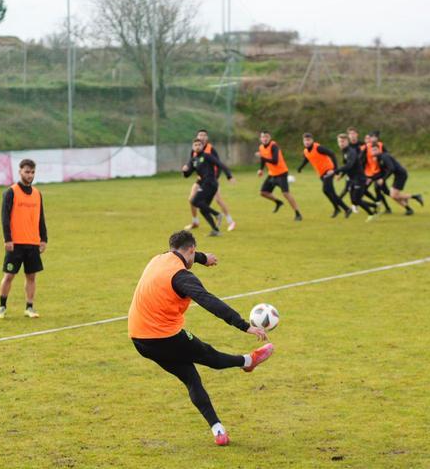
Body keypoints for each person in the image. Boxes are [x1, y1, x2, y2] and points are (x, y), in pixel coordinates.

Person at [129, 231, 274, 446]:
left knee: (191, 377)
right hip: (165, 336)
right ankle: (248, 361)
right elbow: (208, 301)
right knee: (210, 356)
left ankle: (218, 430)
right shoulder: (182, 277)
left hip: (139, 338)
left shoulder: (158, 259)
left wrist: (203, 258)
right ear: (191, 250)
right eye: (194, 253)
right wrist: (244, 326)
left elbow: (186, 255)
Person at [0, 159, 47, 319]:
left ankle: (29, 307)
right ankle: (2, 307)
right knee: (9, 275)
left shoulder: (37, 194)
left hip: (32, 242)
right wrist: (7, 239)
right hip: (15, 243)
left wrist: (43, 239)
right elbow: (5, 217)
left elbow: (41, 218)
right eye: (27, 172)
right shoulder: (10, 192)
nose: (30, 175)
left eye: (32, 172)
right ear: (20, 171)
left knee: (31, 276)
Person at [184, 130, 236, 231]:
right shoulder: (194, 150)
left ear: (207, 138)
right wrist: (185, 169)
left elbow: (219, 165)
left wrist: (216, 177)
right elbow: (192, 164)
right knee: (192, 200)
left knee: (218, 200)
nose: (202, 137)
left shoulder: (210, 150)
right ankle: (195, 222)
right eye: (200, 135)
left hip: (211, 179)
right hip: (201, 179)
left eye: (204, 135)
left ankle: (230, 221)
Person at [296, 132, 350, 217]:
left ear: (312, 140)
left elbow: (332, 153)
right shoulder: (306, 151)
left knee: (327, 190)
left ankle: (345, 209)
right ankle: (340, 209)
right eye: (305, 140)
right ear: (303, 141)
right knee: (329, 192)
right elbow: (307, 159)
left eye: (309, 140)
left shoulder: (318, 148)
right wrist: (300, 167)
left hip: (328, 171)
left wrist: (335, 169)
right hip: (321, 173)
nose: (307, 142)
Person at [257, 131, 302, 221]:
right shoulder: (261, 147)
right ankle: (278, 202)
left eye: (266, 137)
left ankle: (298, 213)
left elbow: (275, 161)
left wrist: (262, 157)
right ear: (260, 138)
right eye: (263, 137)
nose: (265, 139)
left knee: (286, 193)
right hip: (272, 174)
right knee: (263, 192)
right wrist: (261, 169)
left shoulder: (274, 146)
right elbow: (263, 159)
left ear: (270, 138)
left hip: (281, 173)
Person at [368, 144, 423, 216]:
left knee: (393, 195)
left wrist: (383, 179)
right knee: (394, 195)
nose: (373, 152)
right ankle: (409, 209)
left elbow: (391, 168)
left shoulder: (384, 156)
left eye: (375, 150)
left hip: (401, 175)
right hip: (397, 175)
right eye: (372, 150)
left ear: (379, 150)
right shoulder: (379, 159)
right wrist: (371, 179)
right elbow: (382, 171)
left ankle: (415, 197)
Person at [335, 133, 377, 221]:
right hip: (352, 178)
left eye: (343, 141)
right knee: (354, 200)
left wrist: (336, 171)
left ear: (347, 141)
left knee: (357, 200)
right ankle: (375, 206)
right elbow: (346, 166)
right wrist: (341, 175)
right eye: (339, 142)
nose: (341, 143)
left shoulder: (351, 152)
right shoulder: (344, 151)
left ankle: (372, 214)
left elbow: (349, 165)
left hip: (359, 178)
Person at [363, 131, 393, 214]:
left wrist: (380, 160)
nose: (373, 138)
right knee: (364, 189)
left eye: (375, 137)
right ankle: (377, 203)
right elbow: (362, 160)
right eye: (372, 137)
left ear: (377, 138)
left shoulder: (381, 145)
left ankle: (384, 207)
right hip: (369, 173)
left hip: (379, 173)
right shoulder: (366, 147)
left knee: (381, 190)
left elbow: (387, 156)